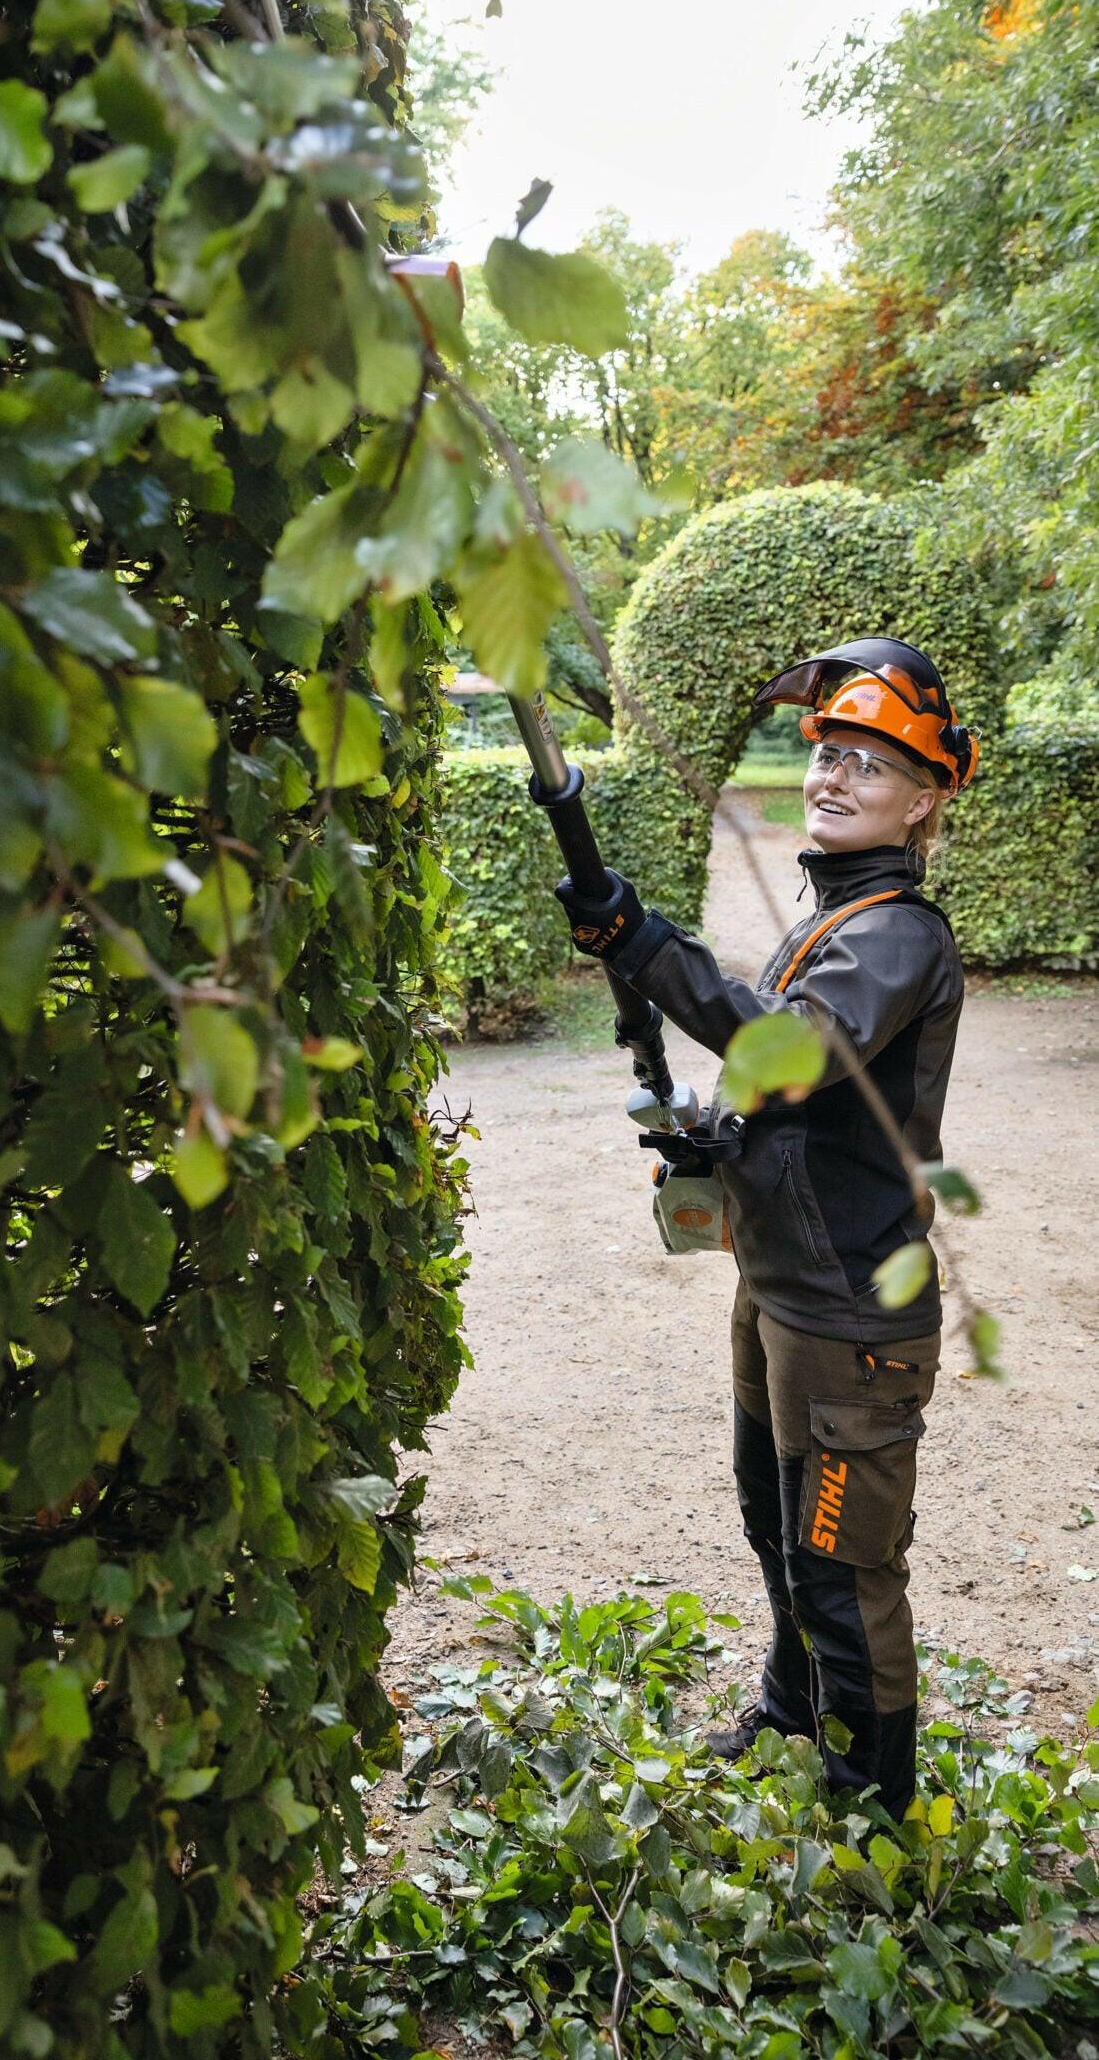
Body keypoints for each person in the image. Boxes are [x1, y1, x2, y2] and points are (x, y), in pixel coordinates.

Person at [553, 639, 980, 1822]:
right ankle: (795, 1710)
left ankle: (870, 1818)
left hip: (851, 1320)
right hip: (780, 1289)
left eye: (872, 764)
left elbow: (782, 1053)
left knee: (841, 1569)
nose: (835, 777)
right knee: (774, 1523)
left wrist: (641, 939)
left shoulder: (897, 934)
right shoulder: (832, 913)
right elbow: (790, 1091)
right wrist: (712, 1139)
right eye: (829, 754)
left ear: (924, 796)